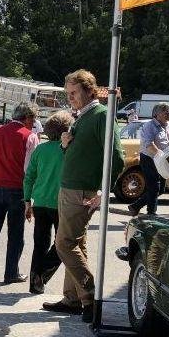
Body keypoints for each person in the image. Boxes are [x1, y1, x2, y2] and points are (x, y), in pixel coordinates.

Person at [43, 69, 124, 323]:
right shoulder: (84, 116)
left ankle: (90, 296)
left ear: (90, 91)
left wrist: (104, 191)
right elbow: (79, 155)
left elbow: (117, 158)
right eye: (68, 93)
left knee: (64, 244)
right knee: (76, 245)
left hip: (80, 191)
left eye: (74, 92)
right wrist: (65, 144)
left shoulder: (101, 116)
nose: (70, 98)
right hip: (71, 189)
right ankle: (73, 299)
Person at [0, 102, 41, 290]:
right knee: (16, 234)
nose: (34, 123)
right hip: (17, 190)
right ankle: (11, 272)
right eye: (33, 119)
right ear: (27, 118)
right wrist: (30, 197)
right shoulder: (30, 137)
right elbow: (29, 170)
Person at [24, 111, 74, 294]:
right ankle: (42, 274)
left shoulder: (40, 150)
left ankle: (35, 283)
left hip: (40, 202)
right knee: (62, 244)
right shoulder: (68, 150)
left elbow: (29, 177)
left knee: (40, 244)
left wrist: (27, 201)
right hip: (60, 203)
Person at [128, 103, 169, 216]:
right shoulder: (149, 126)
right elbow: (149, 144)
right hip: (149, 159)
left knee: (161, 189)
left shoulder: (168, 124)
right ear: (157, 114)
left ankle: (135, 206)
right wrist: (160, 155)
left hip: (163, 160)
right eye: (166, 112)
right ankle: (151, 213)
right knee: (154, 187)